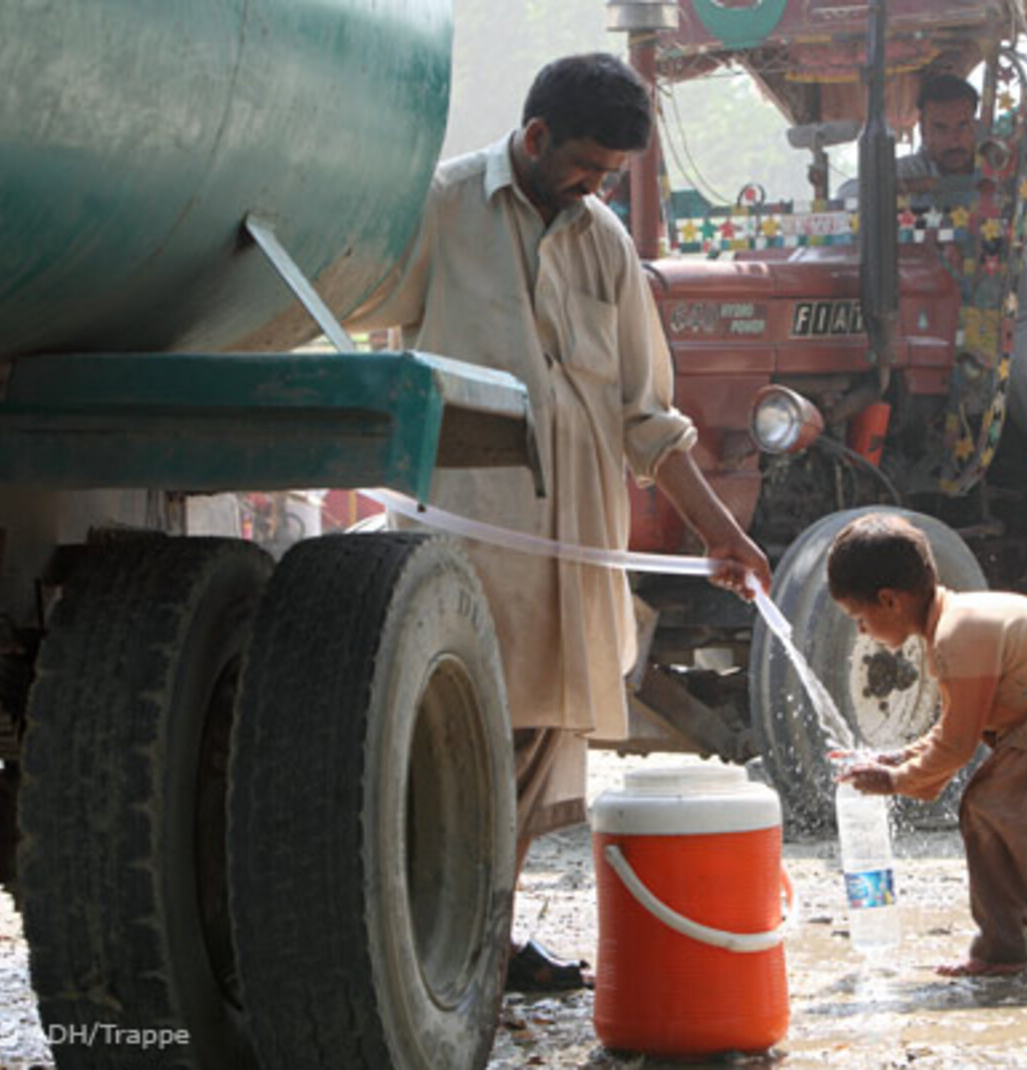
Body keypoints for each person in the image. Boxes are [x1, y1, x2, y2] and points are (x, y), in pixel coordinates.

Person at [350, 53, 771, 990]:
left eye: (610, 176)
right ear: (536, 138)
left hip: (574, 548)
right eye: (586, 166)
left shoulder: (604, 240)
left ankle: (484, 945)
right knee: (449, 740)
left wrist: (719, 534)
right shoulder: (442, 205)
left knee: (538, 752)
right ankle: (421, 949)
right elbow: (379, 354)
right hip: (466, 541)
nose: (594, 187)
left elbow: (647, 418)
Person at [828, 513, 1027, 977]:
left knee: (992, 813)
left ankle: (1003, 951)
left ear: (889, 600)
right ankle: (1023, 942)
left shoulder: (957, 636)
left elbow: (955, 747)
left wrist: (893, 780)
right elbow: (955, 729)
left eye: (859, 618)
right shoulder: (958, 620)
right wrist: (901, 758)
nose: (861, 633)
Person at [837, 73, 979, 199]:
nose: (953, 141)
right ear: (923, 131)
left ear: (975, 126)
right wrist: (912, 186)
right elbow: (846, 194)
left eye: (962, 126)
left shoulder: (994, 167)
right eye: (941, 128)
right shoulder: (911, 171)